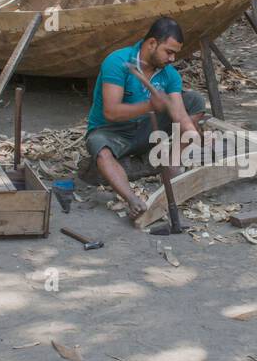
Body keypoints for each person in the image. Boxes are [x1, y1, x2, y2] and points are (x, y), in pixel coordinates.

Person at [78, 17, 206, 220]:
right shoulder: (118, 62)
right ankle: (132, 199)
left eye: (175, 54)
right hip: (113, 132)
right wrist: (149, 106)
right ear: (152, 43)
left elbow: (179, 113)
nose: (172, 59)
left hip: (147, 130)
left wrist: (191, 134)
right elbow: (111, 112)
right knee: (99, 147)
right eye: (169, 52)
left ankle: (172, 163)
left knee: (194, 100)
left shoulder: (169, 74)